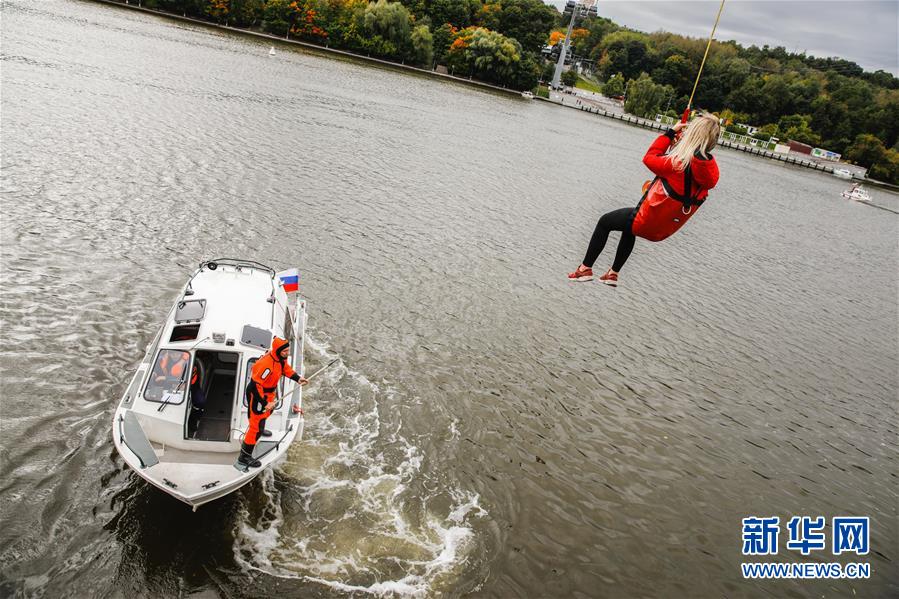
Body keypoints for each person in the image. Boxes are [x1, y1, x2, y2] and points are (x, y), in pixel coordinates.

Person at [568, 114, 721, 287]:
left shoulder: (676, 164)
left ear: (692, 135)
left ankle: (585, 269)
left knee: (605, 221)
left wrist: (670, 134)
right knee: (629, 225)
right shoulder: (711, 172)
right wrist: (681, 146)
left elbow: (649, 157)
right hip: (663, 228)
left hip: (647, 221)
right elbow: (693, 166)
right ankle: (613, 273)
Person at [238, 337, 308, 469]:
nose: (287, 353)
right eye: (285, 351)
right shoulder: (266, 365)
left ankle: (261, 427)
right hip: (258, 395)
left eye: (288, 350)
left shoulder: (280, 359)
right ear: (278, 350)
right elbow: (255, 385)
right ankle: (244, 457)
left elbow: (285, 369)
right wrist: (264, 403)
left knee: (264, 416)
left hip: (269, 394)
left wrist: (297, 378)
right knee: (255, 428)